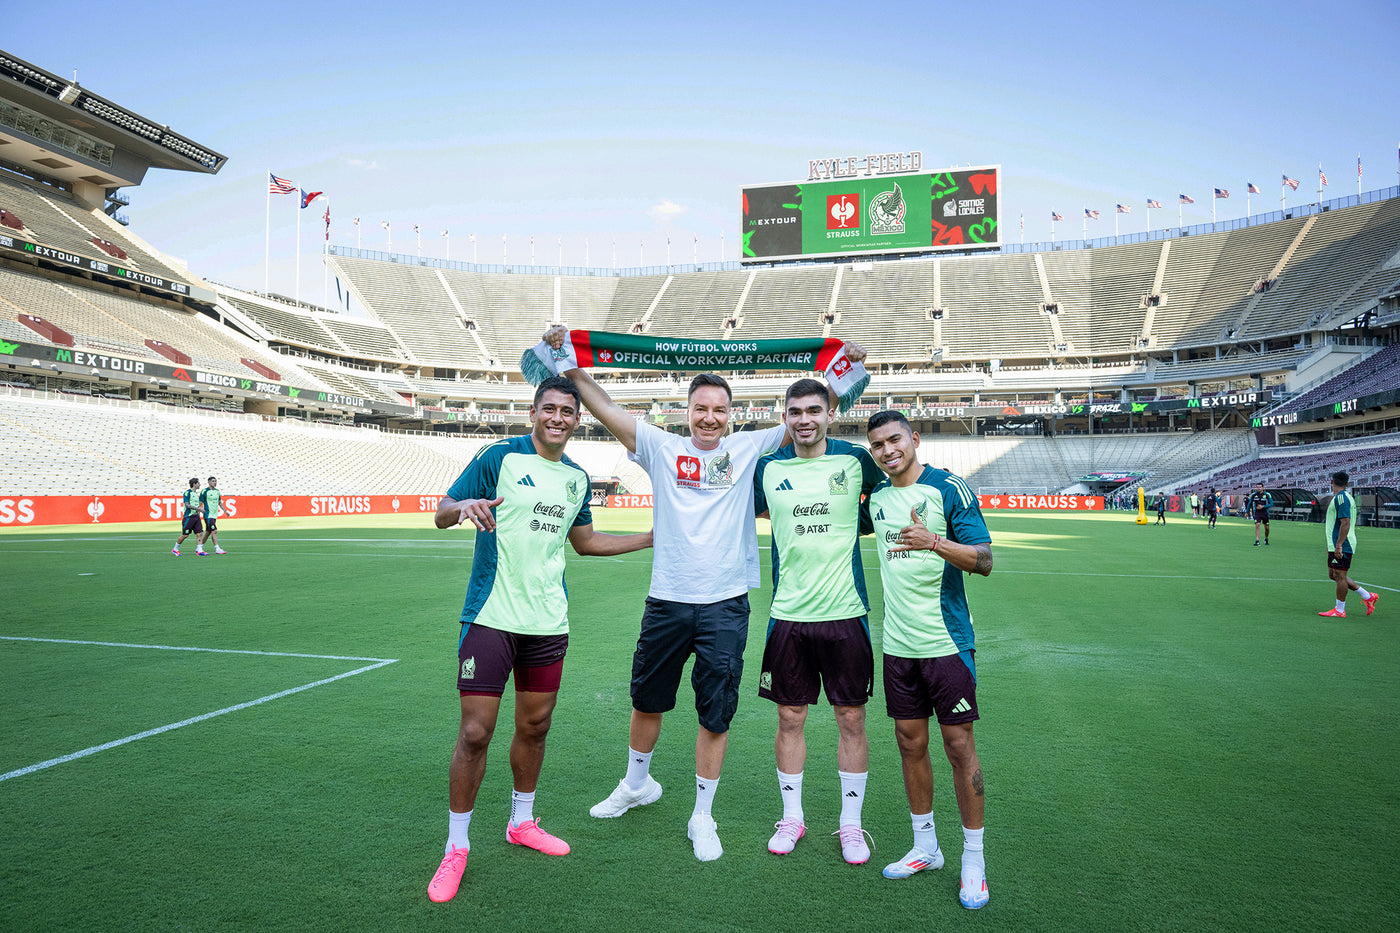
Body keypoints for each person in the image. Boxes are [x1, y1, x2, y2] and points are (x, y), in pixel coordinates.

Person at [542, 324, 865, 862]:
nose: (709, 417)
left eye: (719, 409)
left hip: (724, 604)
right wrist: (568, 362)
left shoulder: (749, 446)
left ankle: (702, 815)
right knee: (647, 700)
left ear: (731, 414)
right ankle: (635, 785)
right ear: (686, 411)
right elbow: (603, 407)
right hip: (667, 599)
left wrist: (848, 363)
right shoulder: (660, 447)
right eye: (700, 409)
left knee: (715, 712)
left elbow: (815, 408)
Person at [426, 376, 653, 903]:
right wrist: (462, 509)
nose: (557, 417)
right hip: (490, 615)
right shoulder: (499, 455)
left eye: (567, 411)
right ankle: (456, 847)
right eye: (548, 408)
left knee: (535, 725)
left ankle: (521, 822)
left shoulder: (576, 477)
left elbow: (587, 542)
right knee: (476, 733)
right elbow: (440, 512)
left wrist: (649, 537)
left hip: (548, 622)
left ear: (577, 419)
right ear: (533, 412)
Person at [862, 411, 994, 910]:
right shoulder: (876, 498)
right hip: (898, 646)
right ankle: (926, 846)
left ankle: (974, 860)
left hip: (946, 644)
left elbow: (984, 560)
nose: (887, 450)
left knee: (959, 747)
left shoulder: (948, 488)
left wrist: (934, 542)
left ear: (914, 440)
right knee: (908, 743)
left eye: (894, 439)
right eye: (877, 445)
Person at [752, 378, 882, 863]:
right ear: (784, 417)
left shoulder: (854, 460)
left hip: (846, 613)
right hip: (788, 614)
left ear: (831, 413)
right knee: (790, 717)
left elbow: (887, 499)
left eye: (813, 410)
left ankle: (850, 825)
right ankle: (793, 818)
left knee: (851, 717)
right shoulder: (767, 467)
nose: (804, 419)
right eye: (794, 412)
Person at [1317, 471, 1378, 619]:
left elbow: (1345, 523)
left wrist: (1339, 545)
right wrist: (1332, 545)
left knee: (1340, 575)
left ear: (1331, 482)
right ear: (1347, 484)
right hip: (1337, 543)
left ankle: (1340, 610)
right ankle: (1368, 596)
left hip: (1344, 543)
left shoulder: (1342, 499)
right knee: (1333, 574)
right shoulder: (1339, 498)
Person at [172, 477, 204, 556]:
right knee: (185, 535)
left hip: (196, 517)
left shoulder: (196, 494)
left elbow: (197, 506)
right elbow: (187, 505)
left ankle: (199, 550)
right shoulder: (187, 493)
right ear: (194, 484)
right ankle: (175, 549)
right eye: (198, 483)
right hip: (189, 517)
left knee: (199, 533)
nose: (199, 484)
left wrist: (199, 512)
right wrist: (198, 509)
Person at [200, 476, 227, 555]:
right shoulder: (204, 491)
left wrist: (225, 511)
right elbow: (200, 503)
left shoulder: (217, 491)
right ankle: (217, 548)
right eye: (213, 481)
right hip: (208, 514)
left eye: (215, 481)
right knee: (214, 531)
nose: (215, 482)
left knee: (208, 532)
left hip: (214, 515)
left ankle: (199, 547)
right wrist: (198, 512)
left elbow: (219, 502)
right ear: (208, 482)